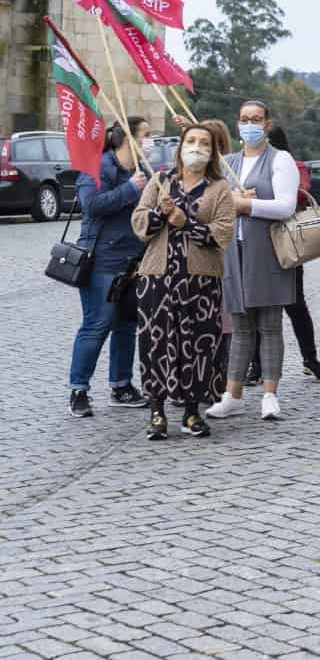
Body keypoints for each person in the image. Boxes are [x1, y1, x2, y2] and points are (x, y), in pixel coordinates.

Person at [131, 123, 236, 439]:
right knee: (156, 345)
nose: (196, 147)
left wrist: (184, 222)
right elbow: (139, 222)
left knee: (198, 345)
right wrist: (160, 214)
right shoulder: (160, 181)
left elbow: (223, 233)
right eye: (191, 141)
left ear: (212, 152)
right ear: (180, 147)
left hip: (200, 284)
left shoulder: (220, 188)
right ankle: (157, 412)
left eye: (204, 143)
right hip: (157, 280)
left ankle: (191, 413)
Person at [207, 101, 300, 423]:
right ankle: (232, 395)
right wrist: (232, 203)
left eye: (256, 119)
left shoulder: (280, 159)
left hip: (268, 249)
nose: (250, 124)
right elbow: (213, 204)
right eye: (245, 119)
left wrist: (247, 205)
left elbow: (286, 206)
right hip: (233, 251)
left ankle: (270, 394)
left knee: (270, 325)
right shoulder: (228, 162)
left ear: (267, 123)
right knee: (240, 326)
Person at [67, 118, 151, 416]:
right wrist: (130, 189)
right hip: (102, 260)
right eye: (146, 135)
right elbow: (91, 205)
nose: (150, 142)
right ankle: (79, 389)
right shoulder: (99, 166)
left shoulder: (141, 171)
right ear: (128, 138)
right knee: (97, 324)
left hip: (133, 261)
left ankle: (121, 385)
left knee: (126, 325)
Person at [261, 126, 320, 382]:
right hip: (258, 242)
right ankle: (256, 366)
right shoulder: (249, 164)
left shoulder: (293, 165)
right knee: (258, 306)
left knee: (295, 304)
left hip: (286, 242)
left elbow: (300, 192)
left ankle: (310, 359)